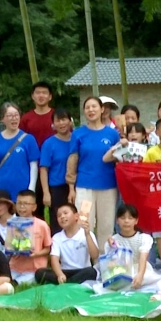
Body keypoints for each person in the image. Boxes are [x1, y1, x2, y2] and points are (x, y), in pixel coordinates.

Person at [68, 96, 121, 249]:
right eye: (87, 107)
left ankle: (103, 259)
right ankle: (85, 259)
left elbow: (118, 158)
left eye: (94, 106)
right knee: (84, 223)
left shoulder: (112, 134)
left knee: (106, 225)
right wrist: (71, 187)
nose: (91, 110)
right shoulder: (78, 134)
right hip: (85, 187)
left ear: (102, 109)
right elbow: (72, 160)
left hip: (108, 186)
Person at [35, 203, 99, 284]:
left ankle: (67, 284)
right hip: (65, 272)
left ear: (76, 216)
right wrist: (60, 274)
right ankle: (70, 283)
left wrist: (87, 235)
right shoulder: (57, 237)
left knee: (92, 272)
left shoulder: (87, 234)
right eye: (59, 215)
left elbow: (95, 255)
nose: (62, 217)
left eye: (65, 213)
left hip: (82, 270)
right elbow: (54, 260)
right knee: (40, 273)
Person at [20, 81, 56, 222]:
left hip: (55, 168)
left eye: (44, 93)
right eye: (38, 93)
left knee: (56, 208)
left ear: (50, 96)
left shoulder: (57, 117)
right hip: (33, 168)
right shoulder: (26, 118)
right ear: (32, 96)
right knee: (35, 207)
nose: (41, 95)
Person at [0, 102, 39, 201]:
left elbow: (33, 166)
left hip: (23, 188)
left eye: (16, 115)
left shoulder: (29, 139)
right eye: (9, 116)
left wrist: (31, 189)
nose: (14, 118)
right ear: (2, 119)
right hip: (2, 188)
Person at [110, 204, 161, 293]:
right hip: (123, 270)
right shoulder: (113, 240)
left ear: (136, 221)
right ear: (117, 221)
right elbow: (112, 262)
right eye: (123, 218)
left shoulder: (143, 238)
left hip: (141, 269)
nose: (126, 221)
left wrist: (140, 275)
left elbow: (143, 258)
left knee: (153, 279)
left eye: (130, 218)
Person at [40, 108, 74, 234]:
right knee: (58, 220)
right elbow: (44, 169)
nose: (61, 123)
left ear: (70, 121)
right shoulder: (49, 143)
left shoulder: (77, 139)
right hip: (57, 188)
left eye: (64, 119)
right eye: (58, 121)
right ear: (53, 124)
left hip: (76, 185)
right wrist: (46, 192)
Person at [8, 190, 52, 285]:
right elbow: (9, 245)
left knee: (29, 278)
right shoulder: (12, 224)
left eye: (26, 204)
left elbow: (48, 249)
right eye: (19, 203)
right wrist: (11, 250)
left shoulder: (41, 225)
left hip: (35, 268)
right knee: (4, 278)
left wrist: (36, 254)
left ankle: (16, 282)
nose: (22, 207)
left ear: (34, 207)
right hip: (15, 266)